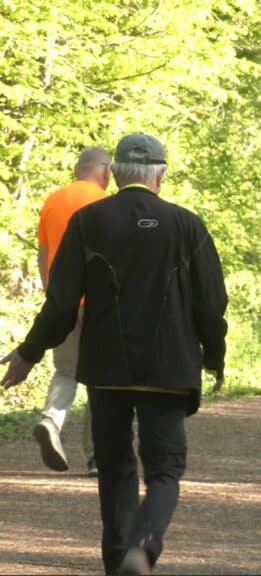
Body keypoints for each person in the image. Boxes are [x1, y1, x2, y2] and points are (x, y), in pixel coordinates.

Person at [1, 133, 228, 575]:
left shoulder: (88, 222)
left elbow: (61, 304)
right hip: (168, 367)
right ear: (161, 175)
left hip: (107, 368)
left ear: (118, 174)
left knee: (114, 467)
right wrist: (213, 356)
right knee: (164, 469)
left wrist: (29, 353)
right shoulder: (188, 226)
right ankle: (143, 546)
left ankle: (118, 561)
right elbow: (211, 304)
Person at [31, 146, 110, 476]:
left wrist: (54, 298)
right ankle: (97, 456)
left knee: (65, 371)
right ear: (105, 171)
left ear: (78, 169)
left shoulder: (53, 200)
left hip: (62, 304)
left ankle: (52, 419)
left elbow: (43, 253)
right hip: (99, 304)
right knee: (101, 378)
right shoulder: (105, 204)